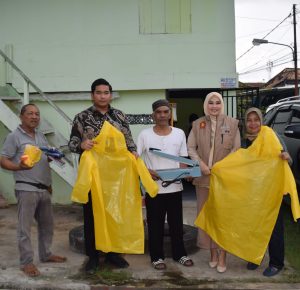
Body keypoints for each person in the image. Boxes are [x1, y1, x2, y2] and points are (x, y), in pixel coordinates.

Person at [68, 78, 137, 272]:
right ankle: (93, 256)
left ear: (110, 95)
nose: (102, 96)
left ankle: (113, 254)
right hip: (93, 175)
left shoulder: (120, 116)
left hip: (116, 177)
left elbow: (129, 140)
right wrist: (81, 145)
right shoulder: (82, 117)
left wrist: (133, 153)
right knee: (91, 216)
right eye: (98, 92)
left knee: (114, 214)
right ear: (92, 95)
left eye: (106, 92)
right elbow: (72, 143)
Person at [0, 104, 66, 277]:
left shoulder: (41, 136)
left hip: (44, 188)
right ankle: (26, 262)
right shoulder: (14, 137)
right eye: (30, 113)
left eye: (37, 114)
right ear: (21, 116)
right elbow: (3, 159)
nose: (34, 117)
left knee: (47, 226)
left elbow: (42, 160)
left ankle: (46, 254)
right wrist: (17, 166)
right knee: (25, 228)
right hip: (26, 188)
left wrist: (54, 158)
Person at [137, 99, 193, 270]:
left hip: (175, 188)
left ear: (170, 114)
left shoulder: (179, 133)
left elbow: (183, 159)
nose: (162, 115)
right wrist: (147, 172)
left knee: (176, 224)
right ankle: (156, 257)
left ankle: (180, 255)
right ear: (153, 115)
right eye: (159, 112)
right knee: (155, 225)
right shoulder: (144, 135)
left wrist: (186, 173)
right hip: (154, 189)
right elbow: (136, 160)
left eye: (165, 112)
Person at [187, 92, 240, 273]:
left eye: (218, 103)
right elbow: (190, 148)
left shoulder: (232, 124)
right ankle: (212, 254)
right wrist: (201, 164)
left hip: (224, 179)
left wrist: (222, 167)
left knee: (222, 219)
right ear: (206, 105)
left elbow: (236, 149)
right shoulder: (197, 124)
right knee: (207, 217)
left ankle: (223, 255)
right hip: (203, 179)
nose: (214, 106)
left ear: (222, 104)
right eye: (211, 103)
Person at [242, 107, 291, 277]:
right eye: (249, 120)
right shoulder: (243, 141)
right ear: (245, 122)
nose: (253, 123)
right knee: (254, 226)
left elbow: (287, 158)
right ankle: (256, 257)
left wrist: (285, 157)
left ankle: (277, 263)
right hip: (253, 192)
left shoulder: (270, 135)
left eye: (256, 119)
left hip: (271, 189)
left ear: (261, 121)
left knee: (274, 227)